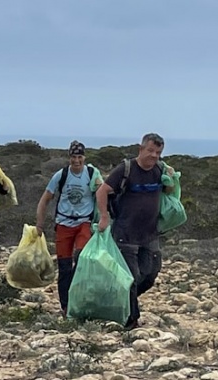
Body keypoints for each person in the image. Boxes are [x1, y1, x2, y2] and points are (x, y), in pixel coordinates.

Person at [96, 132, 174, 330]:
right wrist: (104, 217)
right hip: (125, 234)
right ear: (141, 149)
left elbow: (168, 192)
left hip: (149, 234)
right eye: (150, 151)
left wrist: (171, 180)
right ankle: (131, 320)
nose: (154, 155)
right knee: (130, 277)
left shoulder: (159, 170)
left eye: (158, 152)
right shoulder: (126, 169)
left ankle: (118, 301)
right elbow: (102, 191)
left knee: (149, 274)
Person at [35, 140, 101, 318]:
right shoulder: (61, 175)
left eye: (79, 157)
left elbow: (102, 194)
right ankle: (66, 306)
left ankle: (80, 299)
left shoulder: (92, 174)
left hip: (84, 223)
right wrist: (39, 225)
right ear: (69, 158)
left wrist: (104, 219)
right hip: (64, 223)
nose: (76, 161)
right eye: (73, 157)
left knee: (81, 258)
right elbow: (45, 199)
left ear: (84, 158)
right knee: (64, 268)